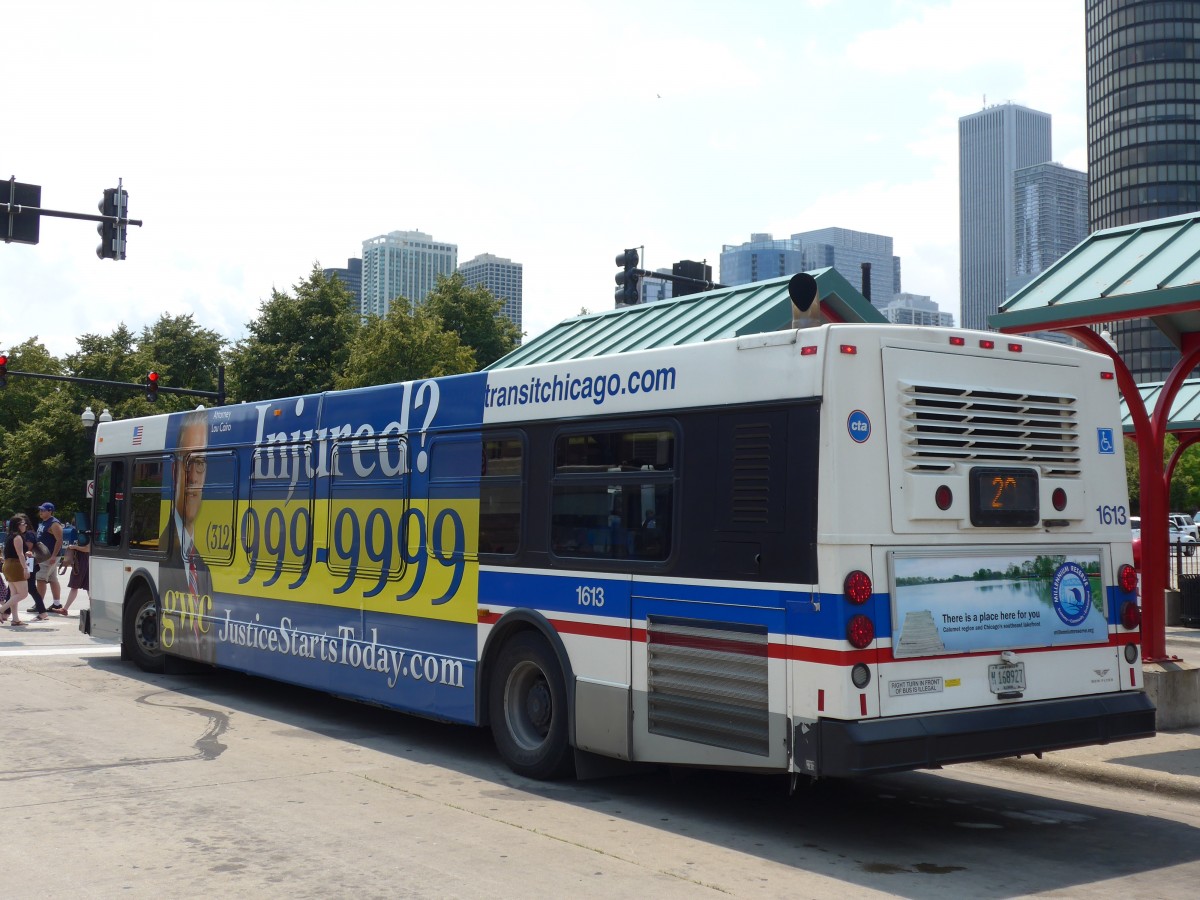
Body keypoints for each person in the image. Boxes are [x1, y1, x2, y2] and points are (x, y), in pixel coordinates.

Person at [1, 514, 33, 626]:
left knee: (14, 594)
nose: (26, 525)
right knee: (23, 594)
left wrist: (26, 554)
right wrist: (25, 568)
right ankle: (2, 610)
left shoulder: (9, 536)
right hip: (15, 565)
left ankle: (15, 619)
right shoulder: (18, 537)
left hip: (8, 565)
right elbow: (20, 554)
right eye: (24, 524)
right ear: (18, 525)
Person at [32, 502, 64, 611]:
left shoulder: (54, 523)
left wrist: (54, 556)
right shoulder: (44, 522)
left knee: (40, 579)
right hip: (44, 555)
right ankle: (56, 604)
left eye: (43, 510)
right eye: (40, 510)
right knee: (52, 579)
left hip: (48, 556)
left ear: (50, 511)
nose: (40, 512)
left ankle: (39, 605)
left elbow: (59, 540)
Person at [55, 532, 90, 616]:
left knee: (76, 586)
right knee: (87, 588)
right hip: (84, 562)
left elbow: (88, 549)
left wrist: (74, 547)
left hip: (82, 563)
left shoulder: (87, 534)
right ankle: (65, 609)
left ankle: (65, 609)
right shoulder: (85, 533)